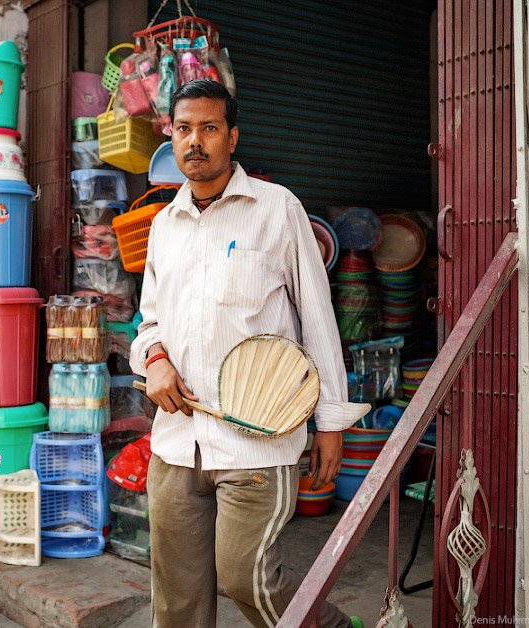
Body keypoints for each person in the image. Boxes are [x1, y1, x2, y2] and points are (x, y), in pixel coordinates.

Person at [130, 79, 367, 628]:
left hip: (256, 438)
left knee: (246, 576)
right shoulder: (163, 226)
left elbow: (318, 319)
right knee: (178, 595)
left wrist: (329, 422)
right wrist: (156, 357)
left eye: (209, 128)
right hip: (177, 442)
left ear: (232, 137)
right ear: (171, 137)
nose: (196, 141)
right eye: (184, 129)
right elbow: (149, 321)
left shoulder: (277, 209)